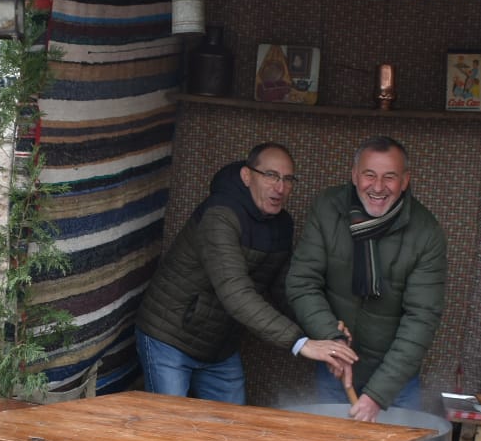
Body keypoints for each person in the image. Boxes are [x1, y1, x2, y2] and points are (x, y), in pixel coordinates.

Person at [134, 143, 356, 402]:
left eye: (287, 179)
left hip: (219, 347)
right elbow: (235, 292)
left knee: (233, 430)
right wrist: (301, 343)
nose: (280, 188)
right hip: (169, 338)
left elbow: (285, 288)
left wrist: (325, 328)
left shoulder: (281, 224)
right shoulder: (220, 216)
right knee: (168, 428)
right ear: (247, 176)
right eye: (270, 176)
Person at [285, 135, 447, 422]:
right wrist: (332, 339)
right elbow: (302, 282)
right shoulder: (328, 208)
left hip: (396, 380)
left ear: (405, 181)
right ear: (354, 175)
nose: (378, 187)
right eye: (369, 175)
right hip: (335, 370)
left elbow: (421, 319)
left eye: (390, 177)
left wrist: (378, 395)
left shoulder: (426, 232)